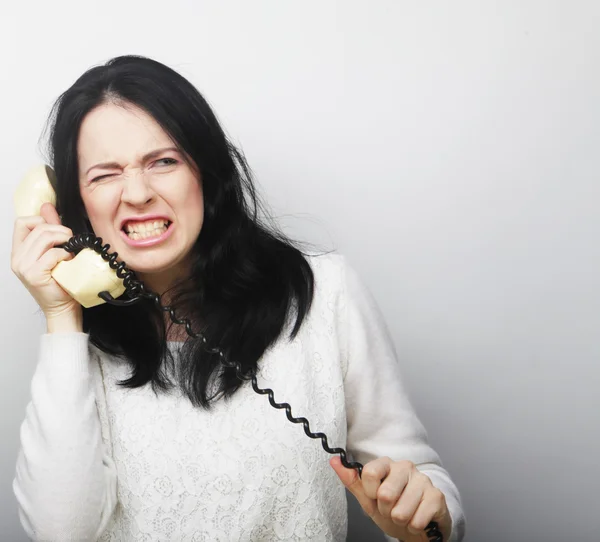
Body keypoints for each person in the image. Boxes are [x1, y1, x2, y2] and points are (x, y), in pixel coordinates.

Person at [11, 55, 465, 542]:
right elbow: (60, 533)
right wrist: (62, 317)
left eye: (163, 161)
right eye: (105, 174)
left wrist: (426, 520)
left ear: (204, 172)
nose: (137, 193)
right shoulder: (79, 346)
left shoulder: (324, 292)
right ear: (72, 204)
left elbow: (420, 483)